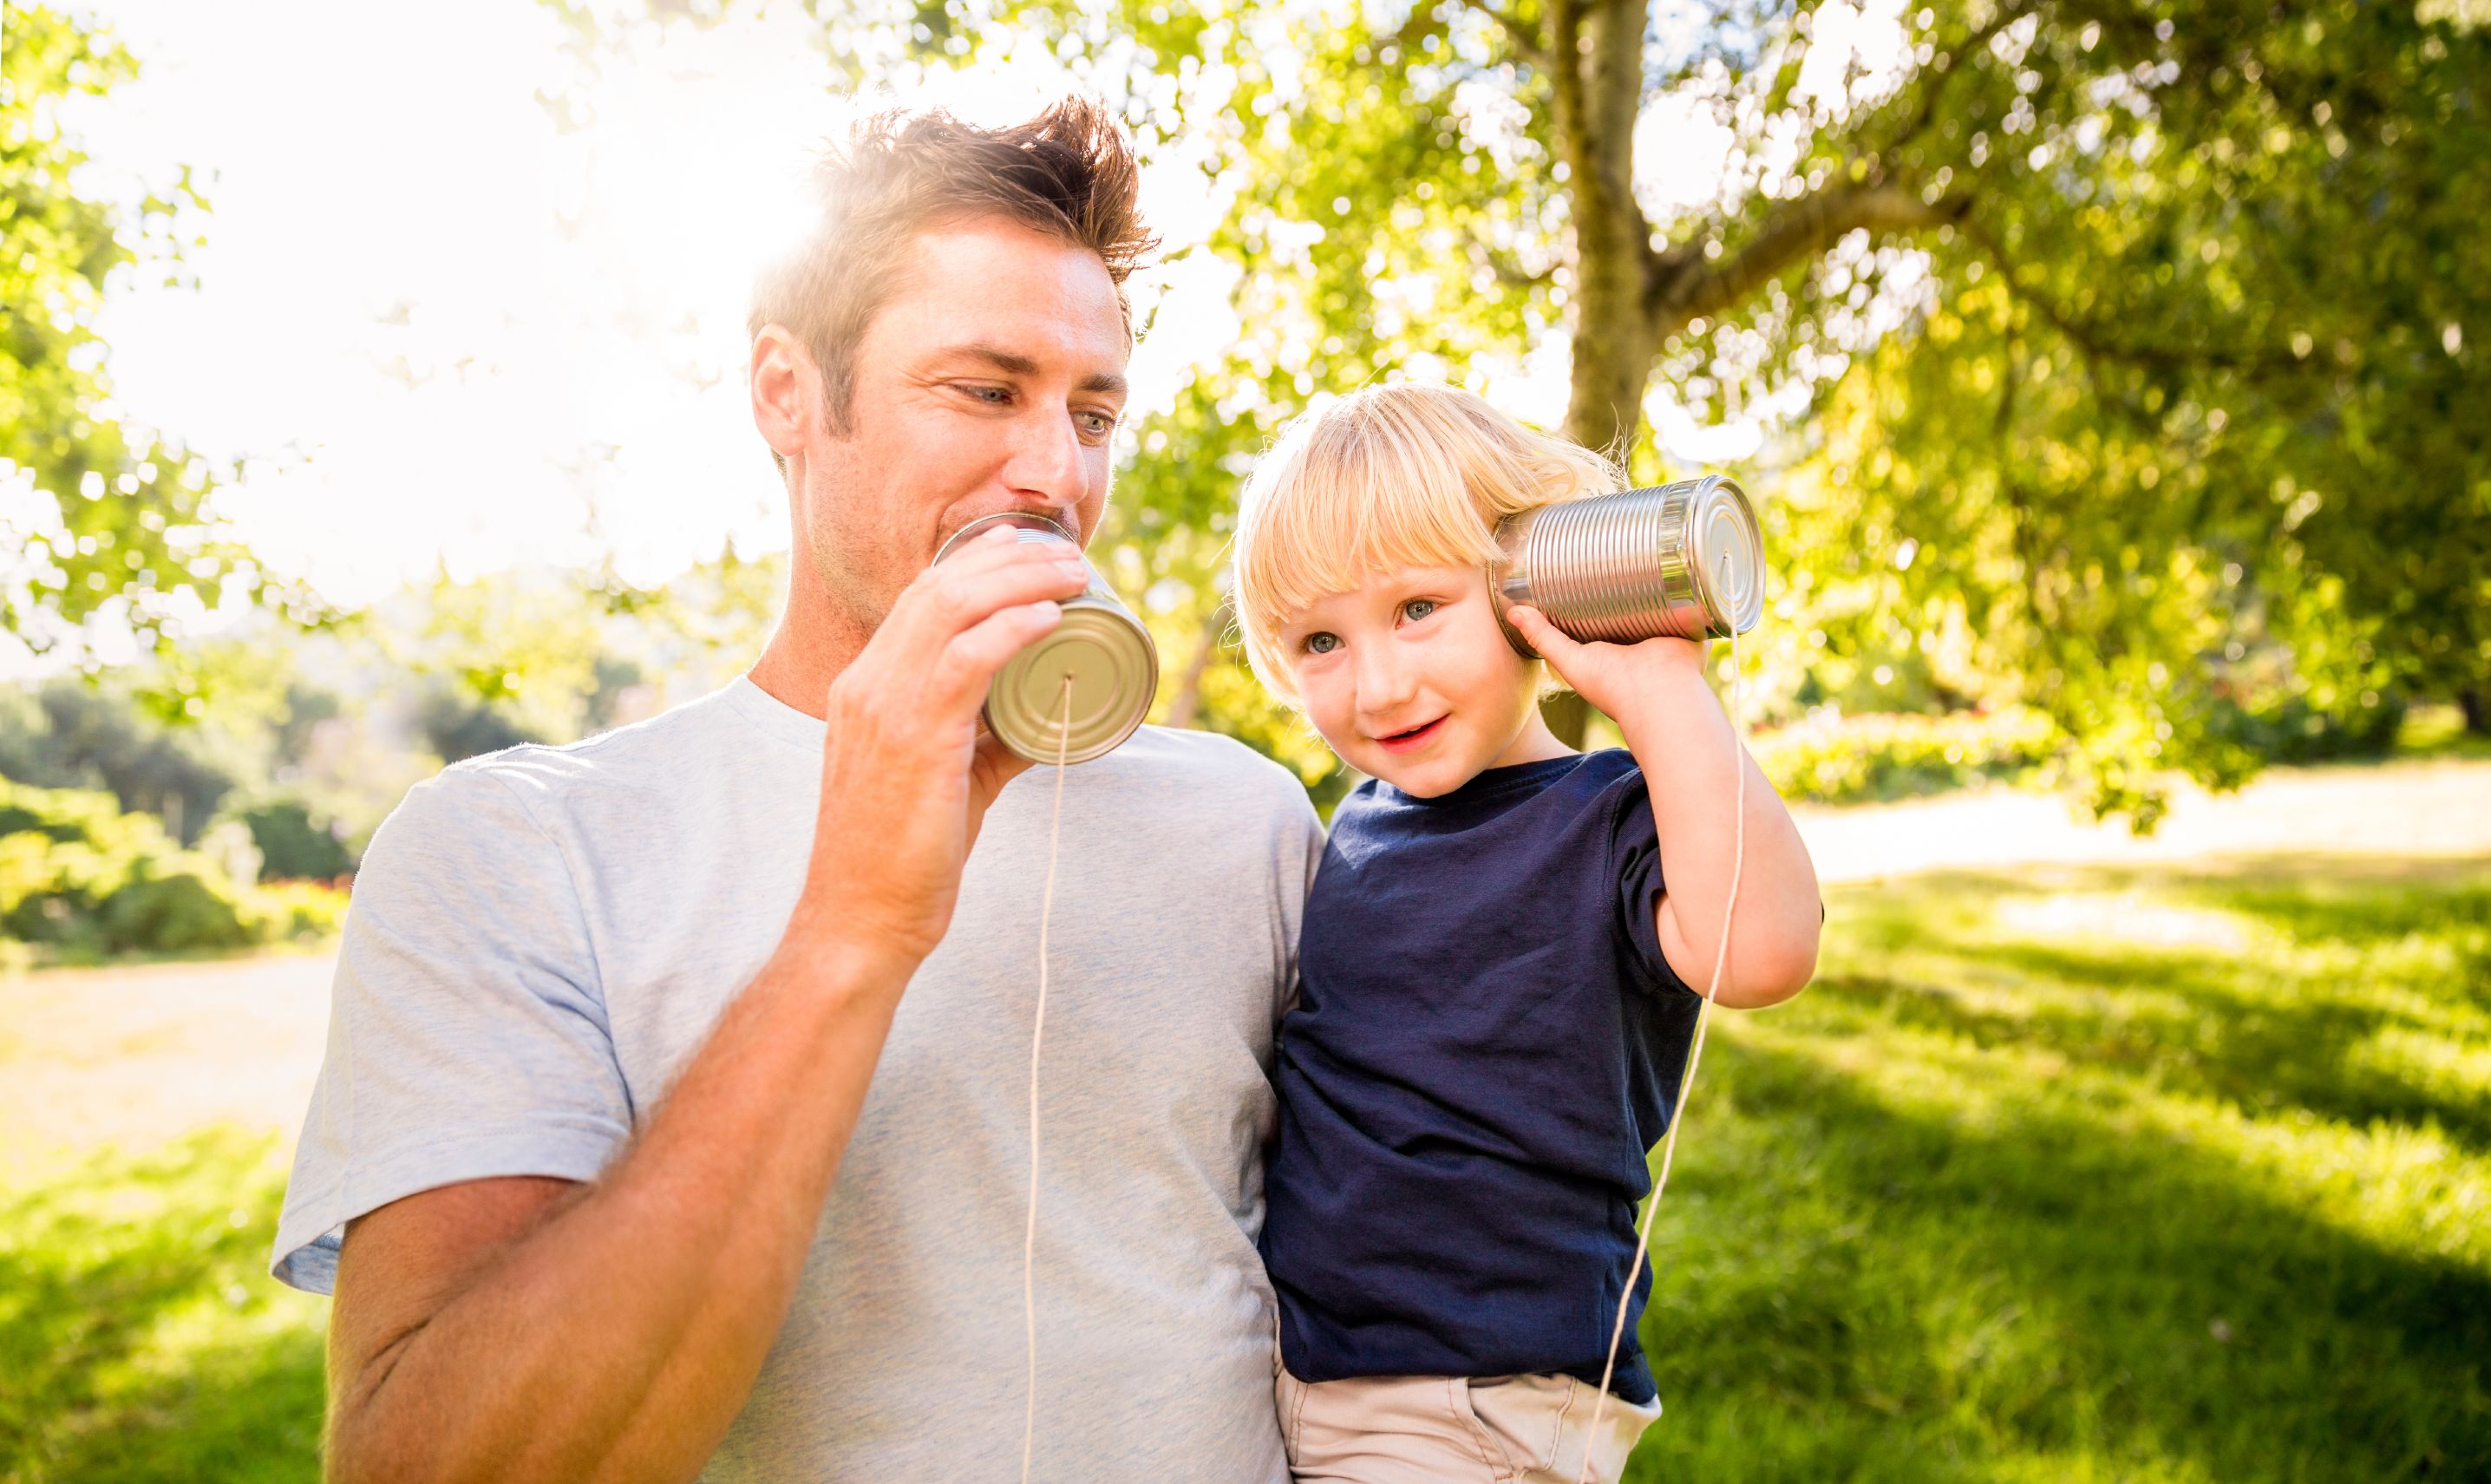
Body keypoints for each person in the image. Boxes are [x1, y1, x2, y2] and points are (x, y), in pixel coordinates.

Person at [268, 99, 1323, 1484]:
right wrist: (850, 926)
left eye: (1094, 411)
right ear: (786, 393)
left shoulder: (1248, 818)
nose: (1057, 473)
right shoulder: (513, 847)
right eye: (986, 388)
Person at [1230, 383, 1824, 1484]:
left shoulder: (1605, 817)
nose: (1378, 683)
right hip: (1308, 1375)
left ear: (1530, 592)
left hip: (1479, 1402)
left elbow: (1764, 950)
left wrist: (1661, 696)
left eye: (1417, 608)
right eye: (1321, 638)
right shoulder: (1354, 826)